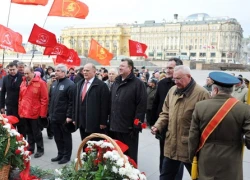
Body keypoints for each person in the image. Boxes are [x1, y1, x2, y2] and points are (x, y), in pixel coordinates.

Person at [151, 65, 210, 179]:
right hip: (171, 146)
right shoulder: (172, 90)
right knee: (165, 177)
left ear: (188, 76)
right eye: (174, 78)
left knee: (198, 177)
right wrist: (158, 126)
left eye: (178, 78)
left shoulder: (202, 94)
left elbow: (206, 123)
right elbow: (165, 113)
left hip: (190, 148)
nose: (175, 82)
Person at [189, 72, 250, 180]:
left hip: (206, 159)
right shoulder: (244, 109)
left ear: (215, 90)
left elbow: (193, 137)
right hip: (231, 161)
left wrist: (192, 157)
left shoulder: (200, 107)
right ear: (231, 90)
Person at [110, 58, 147, 163]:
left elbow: (141, 106)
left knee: (130, 157)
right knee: (116, 155)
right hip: (115, 127)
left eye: (122, 66)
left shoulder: (138, 84)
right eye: (119, 66)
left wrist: (136, 125)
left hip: (129, 129)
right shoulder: (116, 83)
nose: (120, 67)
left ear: (130, 68)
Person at [151, 58, 183, 174]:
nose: (167, 70)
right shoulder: (162, 83)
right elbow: (156, 104)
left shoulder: (187, 85)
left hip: (179, 130)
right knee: (163, 156)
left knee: (177, 159)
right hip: (164, 128)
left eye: (170, 68)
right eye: (167, 68)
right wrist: (155, 124)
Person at [72, 63, 110, 140]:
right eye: (84, 70)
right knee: (84, 143)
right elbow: (75, 102)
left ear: (94, 71)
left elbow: (105, 105)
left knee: (94, 146)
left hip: (94, 122)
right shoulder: (79, 84)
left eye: (87, 70)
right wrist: (75, 118)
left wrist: (103, 121)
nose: (85, 72)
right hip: (82, 121)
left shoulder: (101, 86)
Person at [18, 66, 48, 158]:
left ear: (32, 72)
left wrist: (43, 114)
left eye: (27, 73)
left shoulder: (41, 83)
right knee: (28, 132)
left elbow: (44, 99)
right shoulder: (23, 83)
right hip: (25, 112)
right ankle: (31, 148)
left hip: (35, 112)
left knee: (36, 132)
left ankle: (40, 149)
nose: (26, 75)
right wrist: (20, 110)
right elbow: (20, 98)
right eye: (24, 73)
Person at [49, 64, 75, 164]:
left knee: (66, 137)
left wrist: (69, 116)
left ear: (64, 73)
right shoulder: (54, 84)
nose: (56, 72)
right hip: (54, 116)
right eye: (56, 70)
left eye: (58, 71)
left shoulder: (70, 85)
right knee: (57, 137)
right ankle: (60, 154)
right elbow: (51, 99)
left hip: (64, 118)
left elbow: (71, 102)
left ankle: (66, 156)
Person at [0, 62, 24, 136]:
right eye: (10, 70)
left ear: (17, 68)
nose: (12, 71)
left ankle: (22, 140)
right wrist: (2, 106)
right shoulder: (5, 78)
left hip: (20, 105)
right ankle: (13, 141)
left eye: (13, 69)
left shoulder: (22, 78)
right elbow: (3, 92)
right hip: (9, 105)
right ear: (8, 70)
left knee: (21, 124)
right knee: (11, 124)